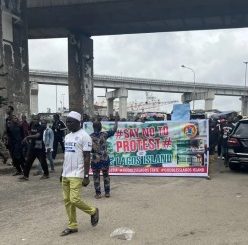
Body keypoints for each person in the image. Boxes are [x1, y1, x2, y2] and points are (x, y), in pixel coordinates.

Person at [61, 111, 99, 236]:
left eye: (70, 122)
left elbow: (87, 157)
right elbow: (67, 156)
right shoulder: (67, 136)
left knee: (74, 199)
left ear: (79, 122)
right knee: (67, 200)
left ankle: (93, 211)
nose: (68, 124)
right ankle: (72, 225)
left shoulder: (84, 136)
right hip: (66, 173)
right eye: (67, 122)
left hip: (77, 173)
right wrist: (62, 172)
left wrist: (87, 175)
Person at [90, 113, 119, 199]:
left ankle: (98, 193)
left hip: (95, 160)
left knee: (96, 177)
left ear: (93, 127)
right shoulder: (104, 134)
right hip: (105, 159)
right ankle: (107, 193)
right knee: (106, 176)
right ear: (100, 127)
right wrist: (116, 120)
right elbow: (114, 129)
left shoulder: (89, 137)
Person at [19, 115, 49, 181]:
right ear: (33, 120)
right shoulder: (32, 125)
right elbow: (28, 130)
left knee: (42, 160)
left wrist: (28, 137)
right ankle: (25, 176)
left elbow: (37, 135)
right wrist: (28, 137)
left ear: (39, 120)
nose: (36, 121)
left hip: (39, 145)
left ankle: (46, 174)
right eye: (34, 119)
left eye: (37, 119)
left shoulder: (41, 127)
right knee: (28, 161)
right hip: (32, 145)